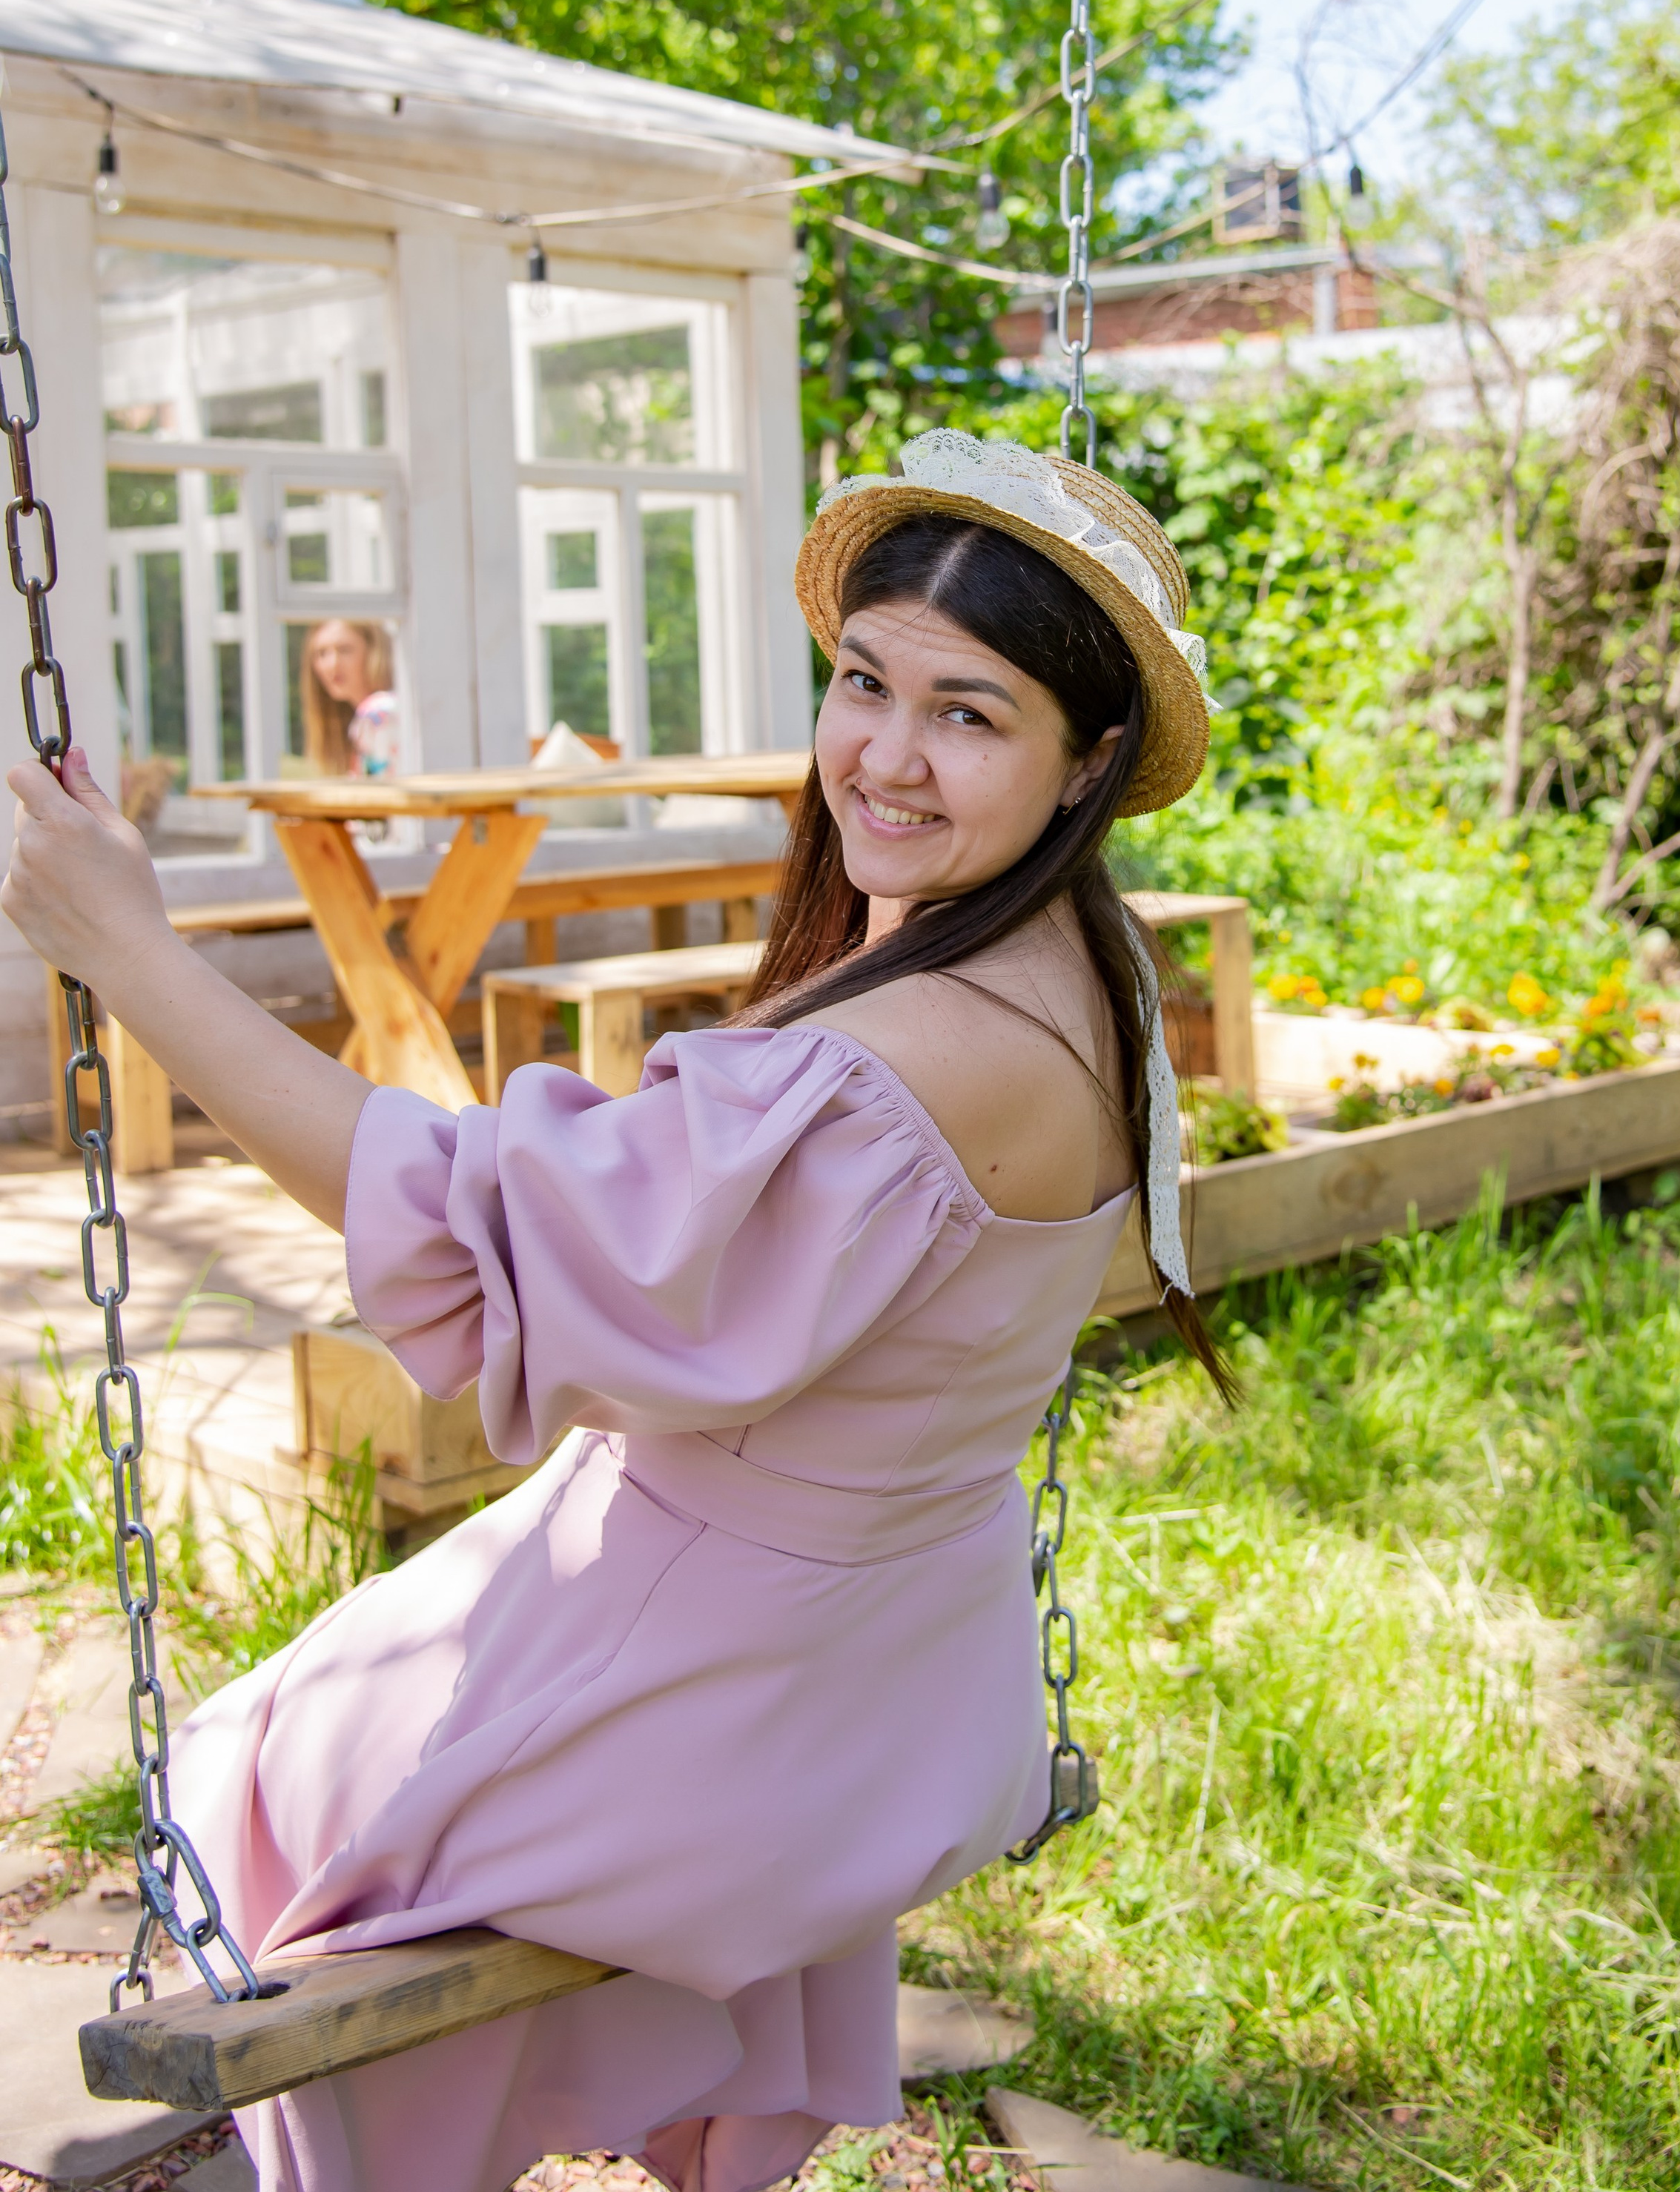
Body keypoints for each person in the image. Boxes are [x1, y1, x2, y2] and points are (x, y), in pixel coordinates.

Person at [1, 429, 1228, 2192]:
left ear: (1084, 756)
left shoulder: (914, 1055)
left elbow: (466, 1223)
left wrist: (138, 954)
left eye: (968, 713)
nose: (883, 752)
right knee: (360, 1691)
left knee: (251, 1769)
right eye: (864, 680)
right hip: (886, 1656)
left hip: (741, 1684)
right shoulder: (1075, 964)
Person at [300, 617, 398, 778]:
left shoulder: (378, 711)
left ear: (373, 650)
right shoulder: (367, 716)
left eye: (345, 650)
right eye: (322, 653)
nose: (333, 664)